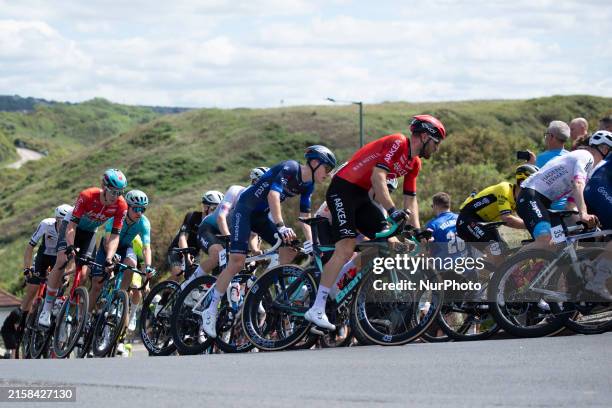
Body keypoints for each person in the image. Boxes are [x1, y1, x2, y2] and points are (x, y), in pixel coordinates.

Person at [306, 114, 447, 330]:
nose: (436, 149)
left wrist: (417, 230)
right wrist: (392, 210)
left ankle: (339, 285)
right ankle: (317, 306)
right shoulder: (398, 142)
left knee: (389, 242)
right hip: (343, 188)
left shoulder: (414, 163)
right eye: (436, 143)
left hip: (361, 195)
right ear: (425, 136)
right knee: (346, 247)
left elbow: (411, 198)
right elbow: (377, 177)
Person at [201, 145, 337, 338]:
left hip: (261, 216)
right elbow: (273, 195)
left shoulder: (309, 185)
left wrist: (312, 241)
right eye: (327, 168)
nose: (328, 174)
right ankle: (211, 310)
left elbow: (305, 216)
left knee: (290, 250)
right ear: (315, 163)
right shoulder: (290, 168)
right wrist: (281, 226)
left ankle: (262, 287)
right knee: (237, 261)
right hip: (245, 210)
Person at [38, 169, 128, 327]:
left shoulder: (121, 205)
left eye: (120, 192)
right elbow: (72, 225)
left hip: (89, 232)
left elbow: (114, 235)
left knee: (85, 273)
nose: (116, 196)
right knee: (62, 260)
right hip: (71, 227)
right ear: (103, 186)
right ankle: (46, 308)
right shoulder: (87, 195)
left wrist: (109, 257)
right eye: (113, 192)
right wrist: (71, 246)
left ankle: (68, 307)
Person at [517, 140, 604, 247]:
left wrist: (583, 224)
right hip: (531, 196)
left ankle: (539, 263)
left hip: (543, 202)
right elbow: (578, 183)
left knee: (558, 245)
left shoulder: (584, 170)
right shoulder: (586, 156)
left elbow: (570, 205)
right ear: (604, 149)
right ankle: (511, 264)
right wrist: (583, 213)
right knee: (544, 240)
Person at [195, 167, 269, 278]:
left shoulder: (259, 205)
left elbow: (253, 234)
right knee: (217, 255)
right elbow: (221, 217)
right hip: (210, 228)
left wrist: (255, 250)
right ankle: (188, 284)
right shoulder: (235, 191)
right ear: (254, 182)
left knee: (239, 265)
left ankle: (216, 289)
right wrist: (230, 238)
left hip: (229, 236)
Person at [92, 190, 155, 318]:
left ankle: (118, 299)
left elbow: (146, 248)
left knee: (131, 264)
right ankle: (86, 315)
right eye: (136, 208)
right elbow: (108, 240)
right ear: (127, 206)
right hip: (107, 247)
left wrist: (148, 266)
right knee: (97, 283)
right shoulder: (117, 216)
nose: (139, 213)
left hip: (126, 247)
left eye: (143, 209)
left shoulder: (144, 223)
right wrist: (110, 257)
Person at [456, 165, 538, 264]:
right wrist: (532, 225)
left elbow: (529, 217)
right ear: (522, 183)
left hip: (485, 224)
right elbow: (507, 219)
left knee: (504, 254)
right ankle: (495, 277)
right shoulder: (504, 188)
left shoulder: (519, 200)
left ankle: (483, 276)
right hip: (468, 219)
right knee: (497, 255)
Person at [18, 204, 72, 335]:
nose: (63, 225)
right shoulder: (46, 224)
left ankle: (51, 317)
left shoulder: (71, 231)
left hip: (59, 257)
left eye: (66, 222)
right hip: (44, 256)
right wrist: (27, 268)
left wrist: (68, 273)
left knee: (60, 284)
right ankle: (22, 322)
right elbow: (30, 247)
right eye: (60, 222)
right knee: (32, 288)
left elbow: (73, 255)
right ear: (55, 219)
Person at [166, 191, 223, 279]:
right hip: (178, 250)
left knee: (194, 279)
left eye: (219, 209)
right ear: (205, 207)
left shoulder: (214, 223)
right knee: (178, 273)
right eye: (214, 208)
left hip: (194, 254)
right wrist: (186, 255)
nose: (216, 212)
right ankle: (163, 291)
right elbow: (182, 238)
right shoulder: (192, 216)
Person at [582, 131, 612, 300]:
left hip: (595, 189)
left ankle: (593, 268)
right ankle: (596, 277)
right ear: (604, 148)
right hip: (597, 188)